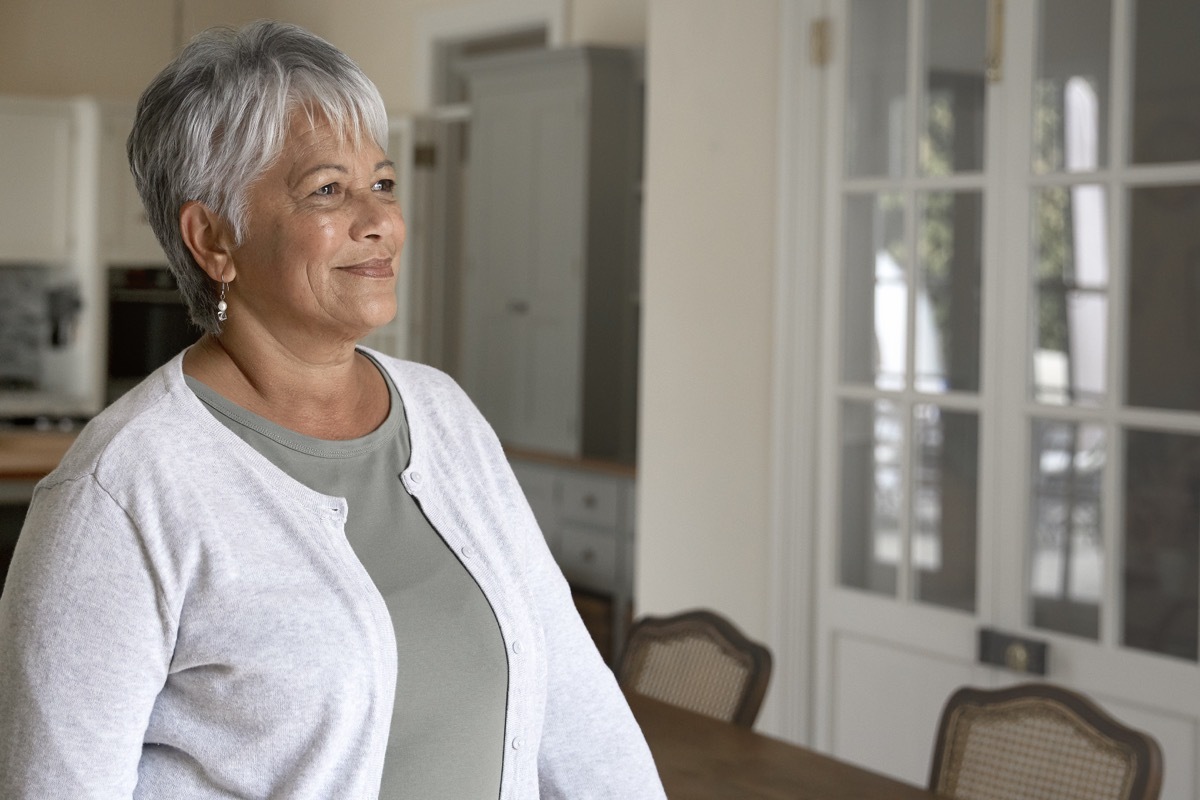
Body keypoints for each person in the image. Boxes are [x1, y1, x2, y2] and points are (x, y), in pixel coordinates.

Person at [0, 20, 665, 799]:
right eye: (328, 190)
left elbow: (583, 719)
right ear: (213, 238)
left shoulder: (444, 416)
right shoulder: (120, 494)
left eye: (382, 182)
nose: (379, 219)